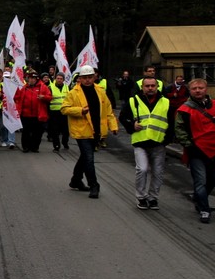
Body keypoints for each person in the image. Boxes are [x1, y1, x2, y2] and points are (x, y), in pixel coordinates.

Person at [174, 78, 215, 223]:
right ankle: (204, 209)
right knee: (200, 180)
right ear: (190, 90)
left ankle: (199, 197)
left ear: (206, 89)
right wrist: (189, 145)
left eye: (200, 88)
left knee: (214, 179)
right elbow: (179, 129)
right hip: (197, 150)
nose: (198, 90)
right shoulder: (184, 109)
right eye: (194, 88)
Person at [62, 64, 118, 199]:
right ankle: (94, 185)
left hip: (97, 130)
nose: (87, 80)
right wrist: (80, 111)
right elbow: (64, 109)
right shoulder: (73, 93)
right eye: (84, 77)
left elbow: (108, 110)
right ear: (80, 79)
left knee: (85, 157)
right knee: (88, 157)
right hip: (82, 131)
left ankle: (75, 180)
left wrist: (113, 126)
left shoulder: (100, 91)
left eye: (90, 77)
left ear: (94, 77)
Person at [118, 76, 169, 210]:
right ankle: (141, 197)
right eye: (147, 86)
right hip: (140, 142)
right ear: (142, 87)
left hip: (159, 142)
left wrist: (167, 139)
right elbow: (123, 117)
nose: (150, 88)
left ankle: (153, 198)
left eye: (153, 86)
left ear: (157, 86)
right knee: (142, 169)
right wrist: (131, 125)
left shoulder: (166, 102)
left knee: (158, 172)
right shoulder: (133, 101)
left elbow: (172, 122)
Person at [15, 70, 51, 152]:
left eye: (34, 78)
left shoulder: (43, 87)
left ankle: (35, 147)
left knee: (37, 133)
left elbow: (49, 97)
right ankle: (25, 147)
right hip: (25, 114)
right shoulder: (24, 88)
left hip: (37, 115)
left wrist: (43, 97)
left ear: (36, 79)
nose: (32, 80)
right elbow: (17, 98)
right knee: (25, 132)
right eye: (30, 78)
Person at [47, 72, 70, 151]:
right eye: (58, 78)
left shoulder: (67, 88)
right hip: (54, 112)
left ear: (63, 80)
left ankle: (65, 142)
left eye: (61, 79)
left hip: (65, 112)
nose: (59, 80)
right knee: (55, 130)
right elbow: (47, 99)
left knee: (66, 130)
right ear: (55, 79)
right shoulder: (50, 87)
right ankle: (56, 145)